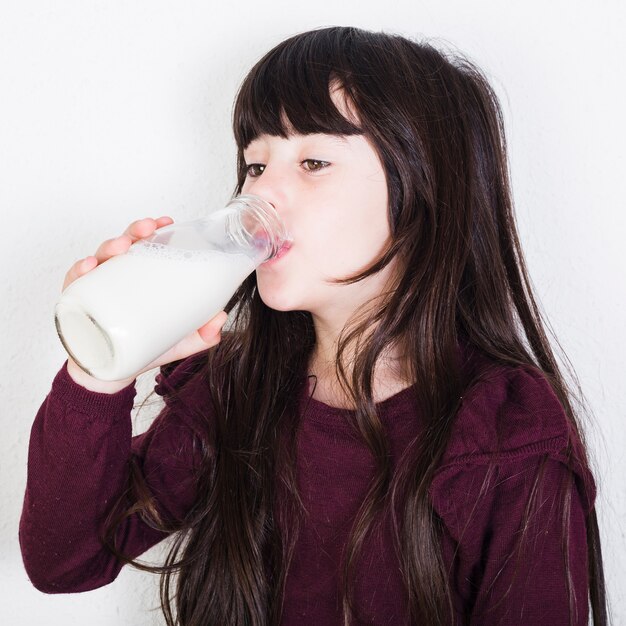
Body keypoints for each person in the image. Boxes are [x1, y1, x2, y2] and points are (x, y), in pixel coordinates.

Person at [19, 25, 608, 626]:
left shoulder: (506, 430)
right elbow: (64, 561)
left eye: (314, 161)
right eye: (254, 164)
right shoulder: (239, 388)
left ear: (425, 190)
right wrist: (97, 378)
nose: (263, 192)